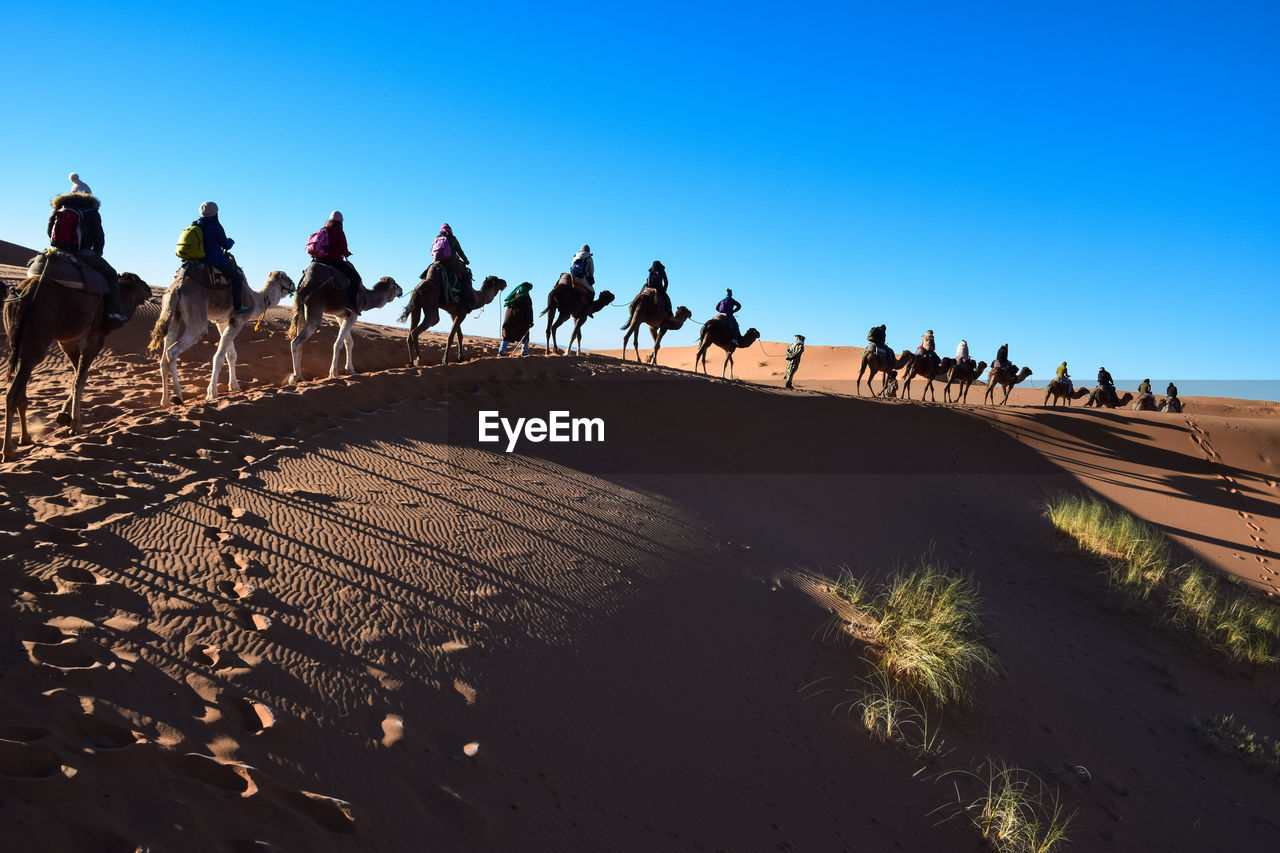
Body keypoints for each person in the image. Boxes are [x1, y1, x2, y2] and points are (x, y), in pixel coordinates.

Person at [47, 184, 126, 323]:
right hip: (82, 253)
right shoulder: (91, 211)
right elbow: (98, 237)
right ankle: (112, 312)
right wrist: (97, 252)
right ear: (88, 194)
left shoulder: (59, 208)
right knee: (111, 275)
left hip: (56, 250)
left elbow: (49, 232)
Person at [193, 201, 250, 314]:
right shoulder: (215, 226)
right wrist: (231, 241)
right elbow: (225, 245)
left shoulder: (196, 224)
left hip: (197, 257)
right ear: (215, 213)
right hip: (213, 259)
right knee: (237, 278)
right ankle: (237, 307)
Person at [309, 211, 363, 314]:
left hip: (318, 259)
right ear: (341, 222)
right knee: (356, 278)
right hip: (333, 261)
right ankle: (351, 304)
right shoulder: (339, 232)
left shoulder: (323, 230)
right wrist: (347, 253)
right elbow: (344, 249)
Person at [431, 223, 471, 306]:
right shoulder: (452, 238)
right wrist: (466, 260)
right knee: (467, 275)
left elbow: (431, 251)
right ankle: (465, 299)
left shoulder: (437, 238)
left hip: (437, 263)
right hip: (451, 263)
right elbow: (460, 251)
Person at [499, 281, 534, 356]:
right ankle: (524, 353)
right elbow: (529, 310)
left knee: (506, 335)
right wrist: (530, 321)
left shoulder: (514, 295)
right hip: (521, 320)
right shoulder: (526, 298)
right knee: (525, 335)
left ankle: (501, 352)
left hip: (509, 318)